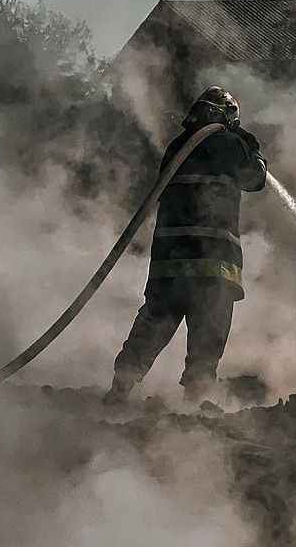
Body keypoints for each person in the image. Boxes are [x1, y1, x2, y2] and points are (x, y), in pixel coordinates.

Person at [103, 86, 268, 406]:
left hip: (169, 261)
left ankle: (121, 386)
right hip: (214, 261)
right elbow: (255, 179)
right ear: (229, 118)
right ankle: (199, 401)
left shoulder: (178, 146)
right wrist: (253, 148)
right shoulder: (230, 144)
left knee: (155, 320)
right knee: (210, 329)